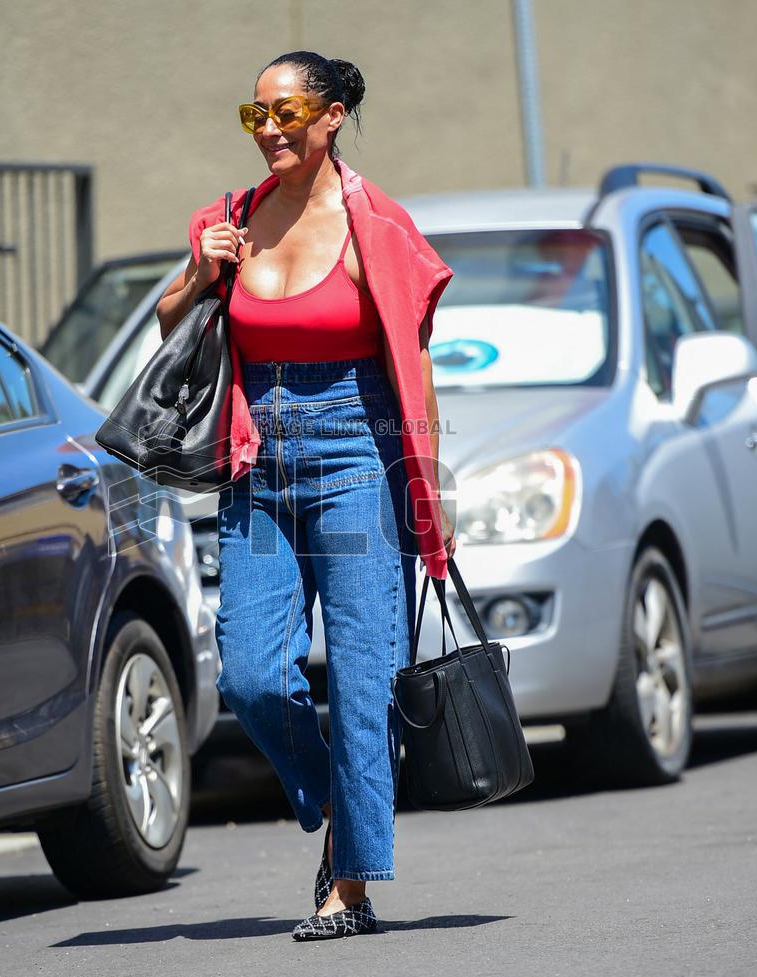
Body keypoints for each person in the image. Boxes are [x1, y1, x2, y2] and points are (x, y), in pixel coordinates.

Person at [156, 51, 456, 941]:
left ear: (330, 117)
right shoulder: (230, 220)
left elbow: (419, 368)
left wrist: (428, 494)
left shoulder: (379, 227)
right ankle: (340, 798)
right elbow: (173, 324)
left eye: (286, 113)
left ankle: (350, 886)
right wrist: (201, 273)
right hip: (258, 461)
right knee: (249, 670)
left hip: (357, 457)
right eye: (255, 117)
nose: (270, 131)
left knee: (364, 676)